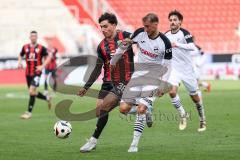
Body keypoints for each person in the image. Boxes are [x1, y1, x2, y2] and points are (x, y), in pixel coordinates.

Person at [110, 13, 172, 152]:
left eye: (148, 26)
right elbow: (124, 45)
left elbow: (168, 65)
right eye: (144, 26)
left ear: (156, 25)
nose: (145, 29)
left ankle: (134, 144)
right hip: (138, 76)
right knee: (123, 109)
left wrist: (163, 83)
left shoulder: (165, 42)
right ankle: (147, 111)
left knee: (140, 109)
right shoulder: (139, 33)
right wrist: (114, 60)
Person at [77, 12, 135, 152]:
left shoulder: (127, 36)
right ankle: (139, 108)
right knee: (100, 112)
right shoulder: (101, 46)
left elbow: (145, 41)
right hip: (108, 81)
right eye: (101, 27)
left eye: (105, 26)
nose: (102, 30)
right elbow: (97, 69)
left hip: (124, 79)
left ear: (114, 25)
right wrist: (86, 87)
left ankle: (93, 141)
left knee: (105, 107)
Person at [165, 10, 206, 132]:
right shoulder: (166, 35)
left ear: (180, 22)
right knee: (172, 92)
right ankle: (183, 115)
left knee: (195, 98)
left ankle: (202, 119)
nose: (172, 22)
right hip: (174, 70)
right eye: (171, 20)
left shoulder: (185, 33)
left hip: (187, 70)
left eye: (175, 20)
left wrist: (177, 44)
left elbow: (192, 47)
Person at [18, 31, 52, 119]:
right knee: (32, 92)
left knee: (31, 91)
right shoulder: (25, 47)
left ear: (37, 37)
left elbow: (49, 57)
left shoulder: (41, 48)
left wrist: (42, 66)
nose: (33, 37)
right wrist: (19, 62)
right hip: (28, 73)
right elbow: (20, 55)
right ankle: (47, 98)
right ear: (30, 37)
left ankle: (28, 113)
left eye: (35, 36)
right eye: (32, 36)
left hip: (37, 72)